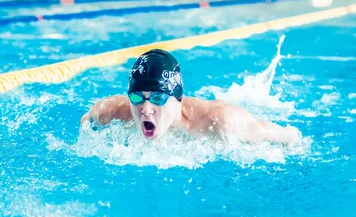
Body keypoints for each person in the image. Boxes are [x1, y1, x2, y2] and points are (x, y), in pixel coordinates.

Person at [81, 49, 301, 145]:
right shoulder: (110, 112)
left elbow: (282, 136)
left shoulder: (220, 123)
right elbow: (86, 122)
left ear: (176, 98)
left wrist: (290, 137)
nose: (145, 109)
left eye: (157, 98)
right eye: (138, 97)